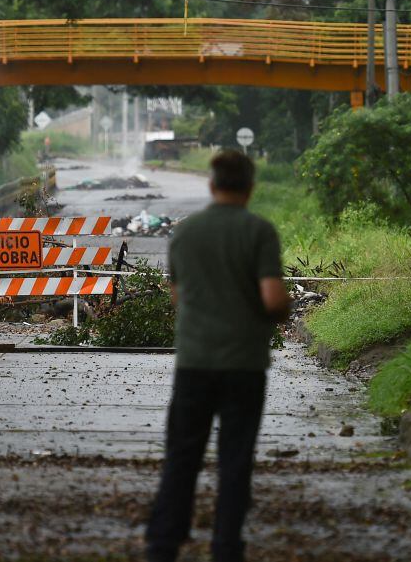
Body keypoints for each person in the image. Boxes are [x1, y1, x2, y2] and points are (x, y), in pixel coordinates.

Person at [145, 150, 291, 562]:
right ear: (250, 187)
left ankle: (163, 545)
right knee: (235, 460)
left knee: (181, 458)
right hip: (244, 365)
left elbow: (177, 295)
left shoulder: (186, 234)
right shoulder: (259, 230)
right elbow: (272, 297)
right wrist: (284, 309)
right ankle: (226, 547)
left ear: (212, 185)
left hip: (194, 363)